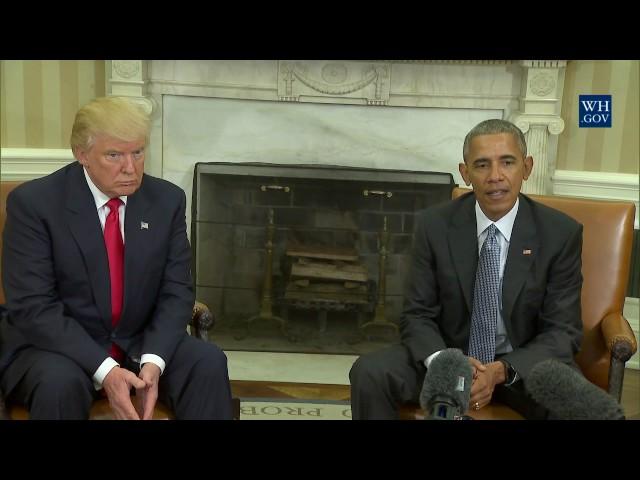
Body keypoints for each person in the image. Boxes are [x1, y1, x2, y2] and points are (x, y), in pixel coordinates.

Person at [0, 96, 233, 419]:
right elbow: (33, 306)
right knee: (59, 382)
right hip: (56, 348)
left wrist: (155, 360)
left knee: (207, 361)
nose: (130, 167)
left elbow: (176, 291)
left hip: (140, 341)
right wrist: (106, 370)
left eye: (137, 153)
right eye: (114, 155)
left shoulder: (166, 201)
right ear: (82, 154)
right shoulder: (35, 205)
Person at [349, 119, 584, 420]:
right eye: (482, 165)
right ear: (466, 173)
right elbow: (417, 314)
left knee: (577, 404)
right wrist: (446, 363)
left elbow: (563, 331)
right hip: (449, 355)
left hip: (522, 366)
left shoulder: (559, 233)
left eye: (507, 163)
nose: (495, 177)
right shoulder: (433, 226)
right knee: (370, 373)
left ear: (526, 167)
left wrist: (501, 370)